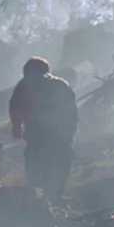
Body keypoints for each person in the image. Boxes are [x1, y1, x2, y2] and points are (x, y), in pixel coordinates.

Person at [9, 57, 78, 203]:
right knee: (54, 170)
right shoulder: (60, 85)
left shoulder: (25, 86)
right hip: (53, 139)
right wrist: (69, 135)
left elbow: (15, 108)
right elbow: (72, 114)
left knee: (39, 172)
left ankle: (46, 201)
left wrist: (17, 127)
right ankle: (51, 200)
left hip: (43, 139)